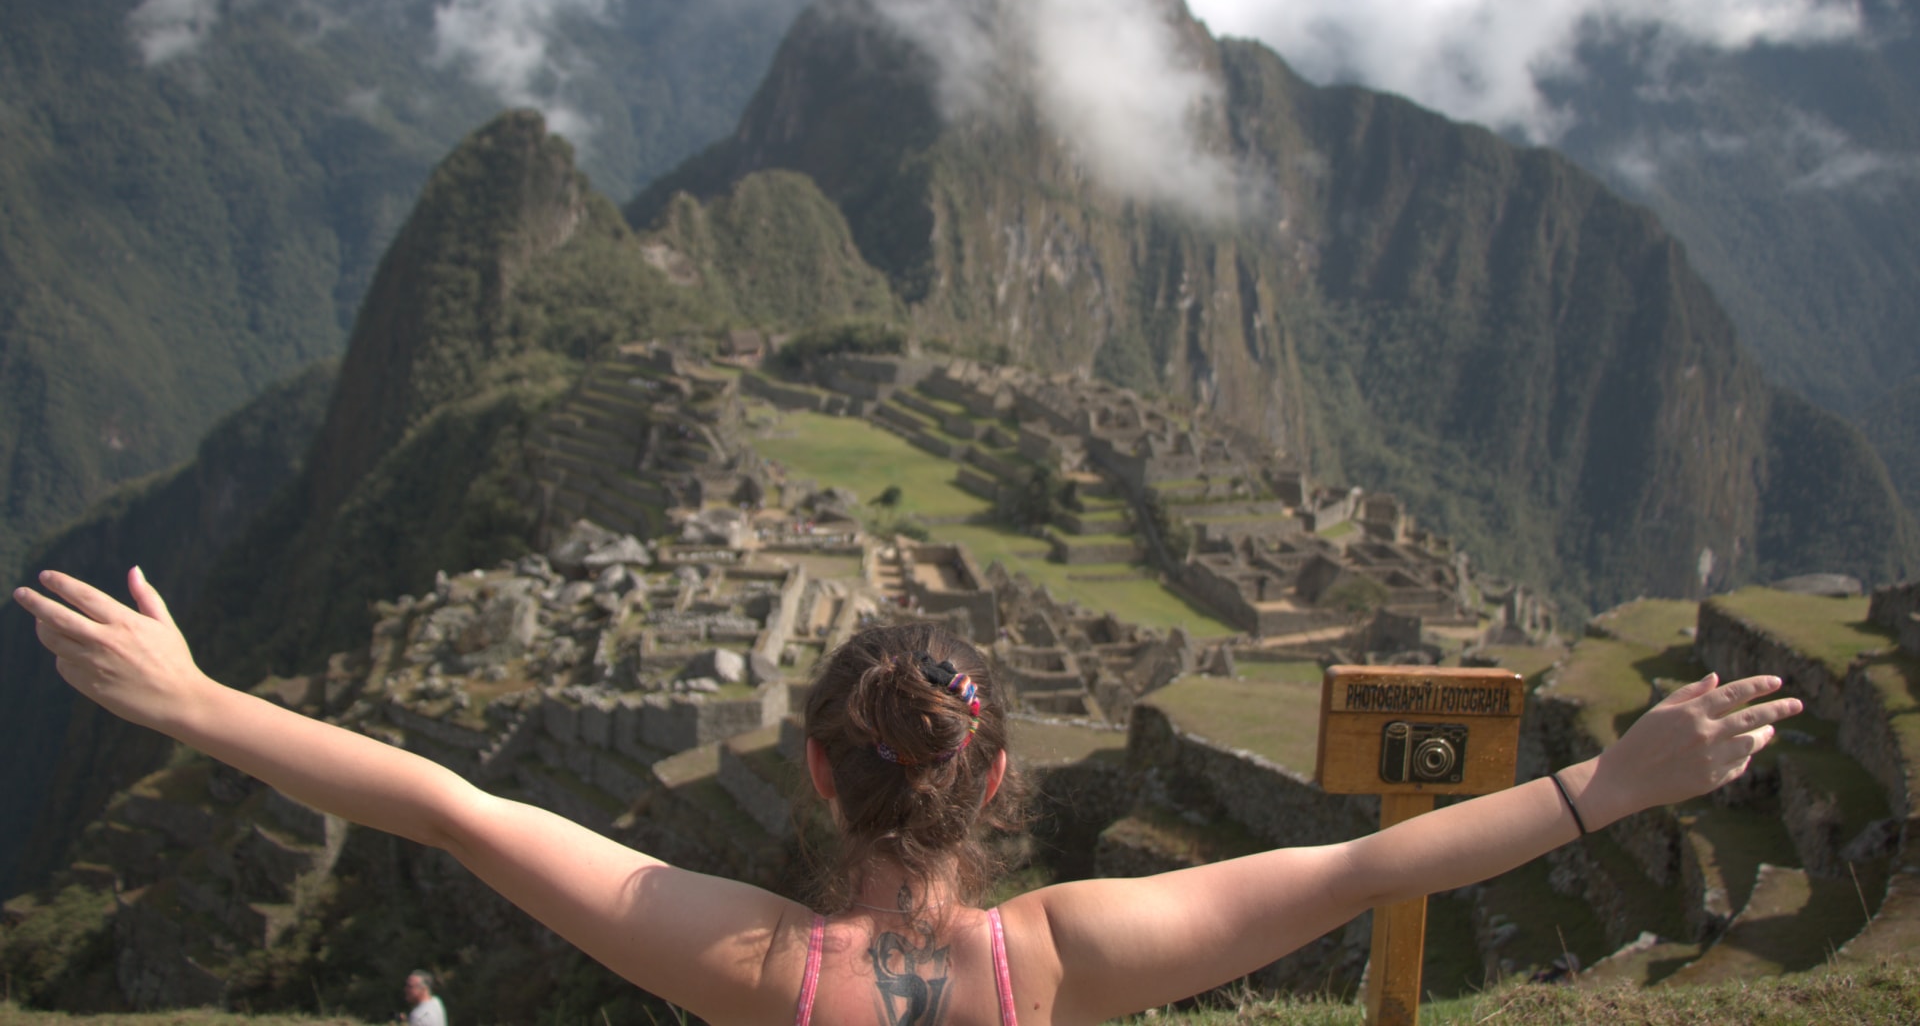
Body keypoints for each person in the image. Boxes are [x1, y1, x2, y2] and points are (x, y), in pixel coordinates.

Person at [14, 568, 1800, 1025]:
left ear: (813, 771)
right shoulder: (1076, 956)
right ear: (995, 775)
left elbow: (449, 806)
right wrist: (1617, 781)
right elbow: (1365, 863)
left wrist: (198, 701)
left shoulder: (737, 965)